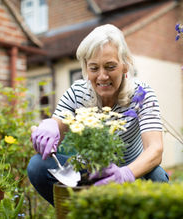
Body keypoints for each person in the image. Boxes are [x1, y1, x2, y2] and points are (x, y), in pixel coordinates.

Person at [27, 24, 169, 206]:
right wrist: (50, 127)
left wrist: (125, 174)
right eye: (94, 68)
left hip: (133, 172)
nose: (102, 76)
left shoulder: (142, 94)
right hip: (90, 172)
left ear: (125, 65)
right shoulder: (77, 92)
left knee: (157, 177)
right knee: (38, 166)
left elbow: (155, 150)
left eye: (110, 67)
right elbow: (57, 130)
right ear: (86, 68)